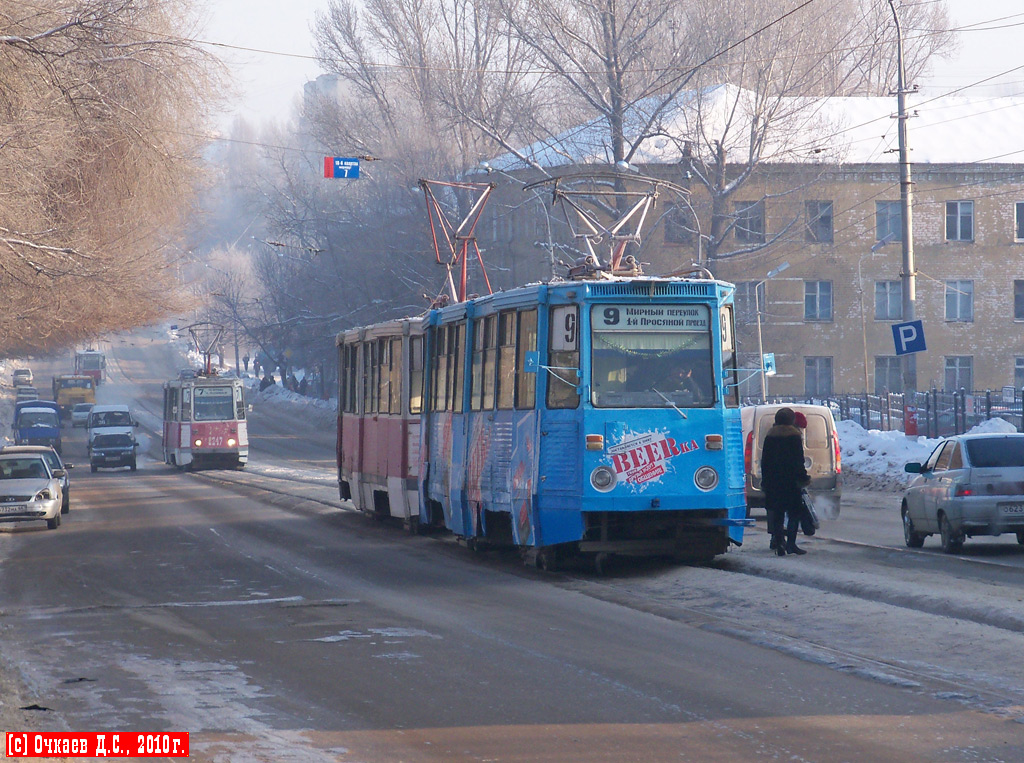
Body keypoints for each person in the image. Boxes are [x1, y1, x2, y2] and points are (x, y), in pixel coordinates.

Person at [760, 407, 811, 556]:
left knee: (777, 514)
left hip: (773, 482)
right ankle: (791, 544)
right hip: (790, 482)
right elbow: (798, 461)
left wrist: (765, 481)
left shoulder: (770, 437)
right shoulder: (794, 437)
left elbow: (765, 462)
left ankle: (779, 543)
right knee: (794, 513)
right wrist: (803, 478)